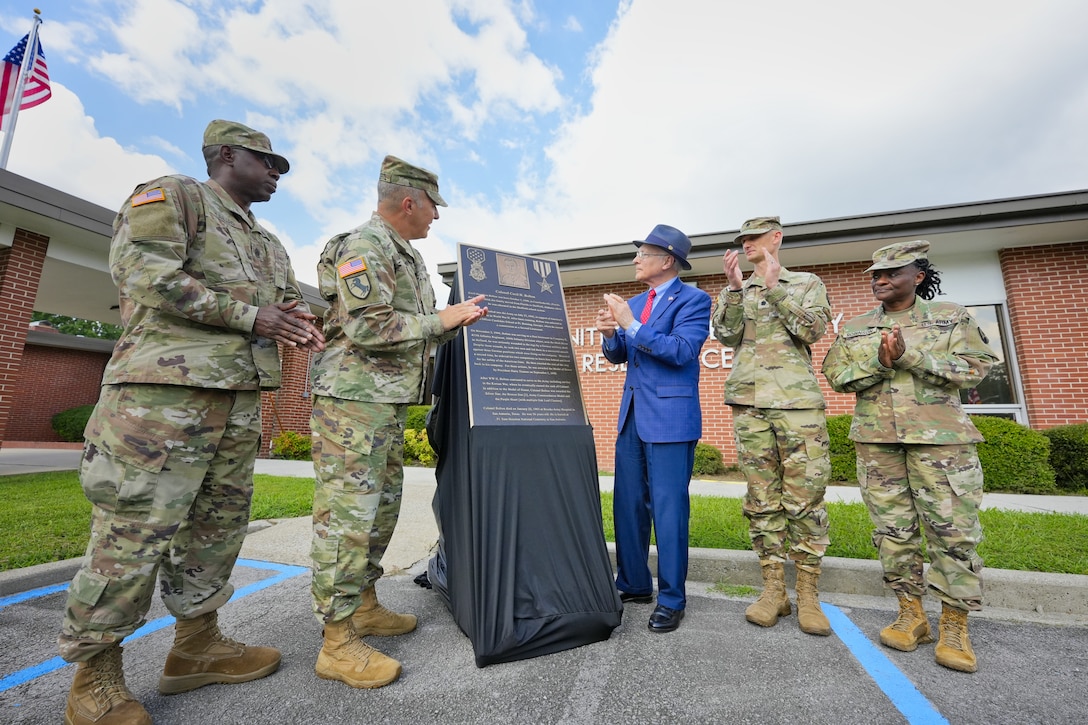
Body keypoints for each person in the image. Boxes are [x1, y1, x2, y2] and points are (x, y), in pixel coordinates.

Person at [58, 119, 325, 725]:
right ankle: (93, 676)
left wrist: (310, 326)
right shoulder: (172, 195)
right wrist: (251, 317)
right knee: (134, 530)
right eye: (269, 161)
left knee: (216, 529)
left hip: (237, 401)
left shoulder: (267, 241)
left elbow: (284, 309)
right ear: (227, 155)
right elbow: (145, 274)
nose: (278, 174)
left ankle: (196, 645)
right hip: (162, 400)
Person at [309, 155, 488, 688]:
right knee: (348, 518)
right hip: (351, 401)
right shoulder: (364, 246)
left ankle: (363, 604)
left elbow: (418, 330)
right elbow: (369, 328)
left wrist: (457, 321)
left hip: (382, 403)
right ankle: (336, 642)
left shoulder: (404, 255)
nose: (436, 216)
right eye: (433, 205)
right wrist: (442, 319)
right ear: (409, 201)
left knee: (379, 511)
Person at [822, 240, 996, 673]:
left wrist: (911, 356)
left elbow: (977, 366)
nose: (880, 280)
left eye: (891, 273)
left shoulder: (949, 316)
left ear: (917, 276)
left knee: (952, 532)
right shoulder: (857, 326)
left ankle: (954, 624)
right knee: (891, 530)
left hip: (941, 443)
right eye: (875, 275)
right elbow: (837, 375)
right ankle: (911, 613)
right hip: (877, 442)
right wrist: (881, 364)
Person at [711, 216, 833, 636]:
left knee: (805, 498)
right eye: (742, 239)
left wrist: (776, 286)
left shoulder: (806, 282)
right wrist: (731, 288)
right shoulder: (738, 289)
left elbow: (813, 330)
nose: (746, 244)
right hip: (749, 403)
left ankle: (809, 596)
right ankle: (773, 591)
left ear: (775, 238)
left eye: (754, 238)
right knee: (762, 498)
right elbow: (724, 336)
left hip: (797, 404)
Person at [595, 224, 710, 633]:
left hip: (671, 422)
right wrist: (612, 334)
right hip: (632, 418)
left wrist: (631, 324)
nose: (635, 260)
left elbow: (681, 352)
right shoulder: (637, 301)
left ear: (667, 260)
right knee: (627, 505)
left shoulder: (694, 300)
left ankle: (672, 599)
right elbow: (621, 355)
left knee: (668, 510)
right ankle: (632, 583)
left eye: (642, 254)